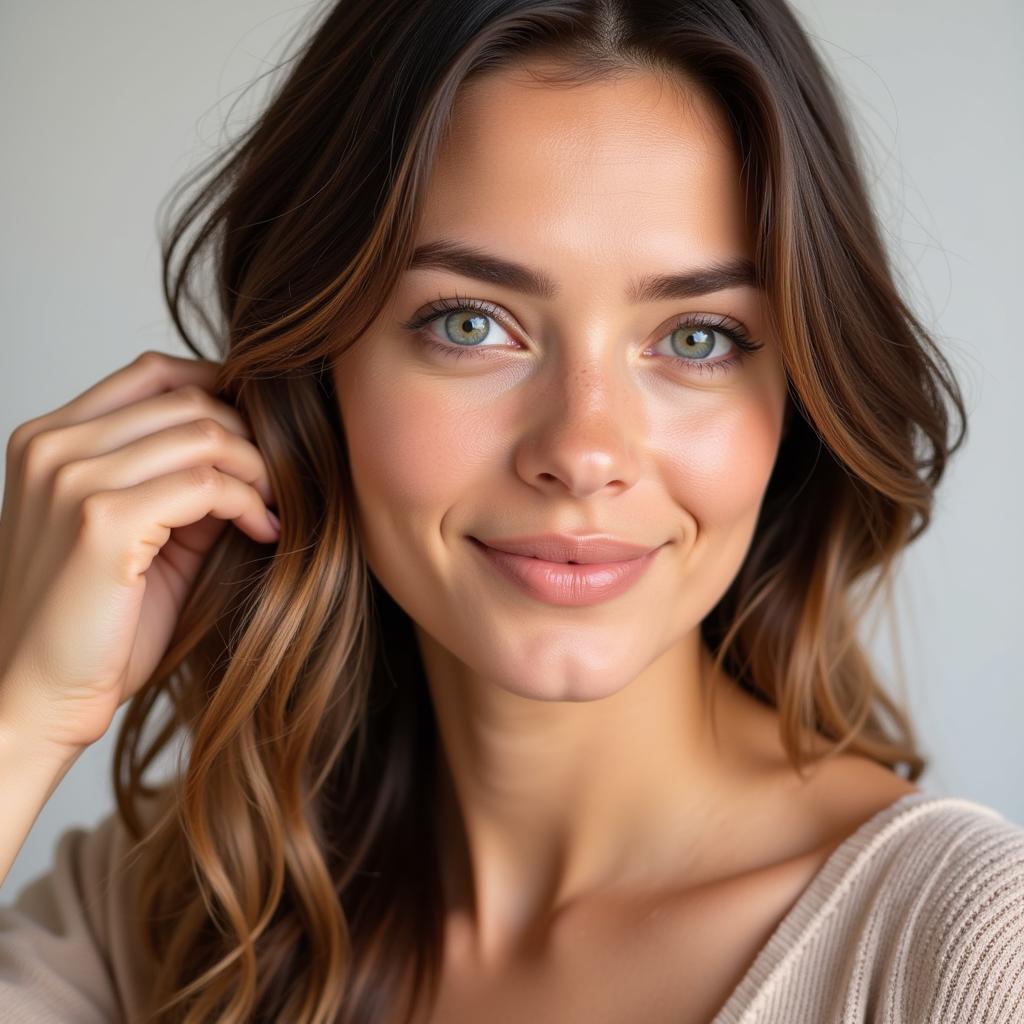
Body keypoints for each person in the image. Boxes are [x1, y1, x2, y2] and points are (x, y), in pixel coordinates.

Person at [1, 0, 1022, 1021]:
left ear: (796, 398)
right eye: (470, 322)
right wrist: (28, 709)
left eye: (699, 336)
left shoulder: (964, 949)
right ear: (317, 376)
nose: (582, 453)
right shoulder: (173, 919)